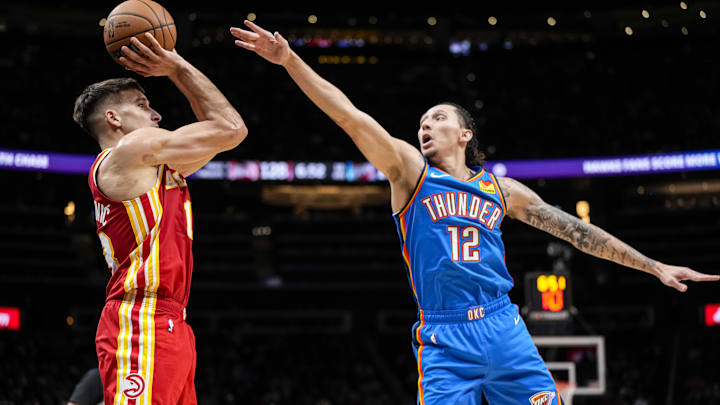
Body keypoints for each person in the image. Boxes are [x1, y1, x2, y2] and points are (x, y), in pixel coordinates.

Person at [230, 21, 719, 405]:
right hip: (443, 335)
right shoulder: (409, 174)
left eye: (438, 118)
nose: (426, 126)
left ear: (465, 134)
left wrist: (653, 265)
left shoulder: (501, 190)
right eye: (422, 121)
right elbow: (348, 115)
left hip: (505, 327)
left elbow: (577, 232)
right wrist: (289, 60)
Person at [73, 33, 247, 405]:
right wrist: (177, 66)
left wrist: (176, 68)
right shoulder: (128, 151)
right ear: (113, 118)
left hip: (170, 320)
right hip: (141, 316)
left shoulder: (154, 165)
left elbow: (225, 131)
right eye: (142, 104)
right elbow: (231, 129)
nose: (156, 114)